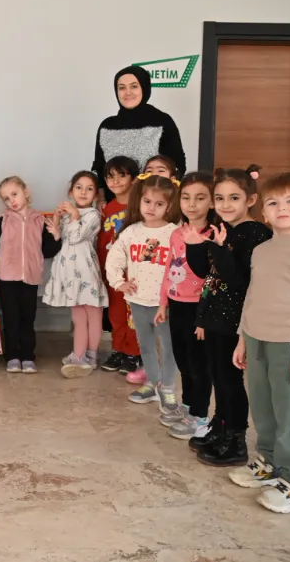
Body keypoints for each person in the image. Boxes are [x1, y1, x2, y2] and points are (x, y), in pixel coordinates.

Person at [231, 173, 290, 514]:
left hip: (289, 346)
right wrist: (243, 338)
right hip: (256, 340)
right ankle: (270, 464)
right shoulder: (261, 250)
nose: (281, 208)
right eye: (273, 202)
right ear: (264, 212)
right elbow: (252, 296)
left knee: (289, 416)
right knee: (263, 409)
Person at [184, 165, 272, 467]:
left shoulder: (256, 233)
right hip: (214, 317)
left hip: (234, 321)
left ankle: (235, 440)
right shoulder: (223, 229)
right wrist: (195, 246)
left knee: (229, 381)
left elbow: (238, 280)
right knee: (218, 377)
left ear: (251, 200)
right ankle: (220, 427)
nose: (225, 205)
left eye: (234, 198)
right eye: (219, 198)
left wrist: (219, 249)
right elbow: (206, 274)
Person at [105, 174, 181, 412]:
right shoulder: (131, 232)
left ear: (169, 206)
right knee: (145, 346)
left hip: (165, 303)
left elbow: (184, 266)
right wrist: (119, 282)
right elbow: (114, 258)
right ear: (139, 201)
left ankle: (168, 388)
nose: (151, 208)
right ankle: (152, 383)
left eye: (159, 203)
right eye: (147, 201)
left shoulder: (175, 233)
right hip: (137, 301)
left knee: (168, 347)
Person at [157, 172, 215, 441]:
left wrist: (205, 316)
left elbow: (213, 278)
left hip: (199, 308)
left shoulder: (213, 235)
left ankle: (200, 416)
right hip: (176, 304)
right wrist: (163, 303)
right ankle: (189, 406)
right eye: (186, 198)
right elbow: (169, 269)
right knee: (182, 359)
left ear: (212, 202)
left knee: (199, 363)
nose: (192, 204)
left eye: (200, 198)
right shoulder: (176, 233)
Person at [0, 176, 61, 373]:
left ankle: (28, 356)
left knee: (28, 319)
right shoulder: (2, 221)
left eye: (14, 194)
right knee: (11, 319)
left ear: (26, 192)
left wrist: (56, 235)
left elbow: (48, 251)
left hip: (30, 278)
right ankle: (12, 356)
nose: (11, 201)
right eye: (6, 198)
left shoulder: (40, 221)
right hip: (6, 278)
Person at [43, 171, 108, 378]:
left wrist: (74, 215)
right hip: (70, 274)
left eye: (89, 189)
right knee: (78, 317)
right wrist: (56, 221)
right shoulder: (69, 215)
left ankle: (90, 355)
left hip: (86, 272)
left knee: (93, 314)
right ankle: (79, 354)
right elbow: (60, 238)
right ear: (71, 191)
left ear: (95, 195)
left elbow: (77, 236)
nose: (83, 192)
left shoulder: (93, 215)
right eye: (79, 187)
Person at [92, 65, 186, 201]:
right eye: (122, 88)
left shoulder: (161, 121)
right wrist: (101, 198)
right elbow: (100, 165)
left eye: (134, 86)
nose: (128, 92)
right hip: (115, 203)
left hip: (152, 203)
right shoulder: (107, 125)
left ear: (144, 88)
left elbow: (177, 164)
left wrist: (164, 198)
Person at [97, 156, 143, 377]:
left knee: (132, 314)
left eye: (121, 176)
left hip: (133, 273)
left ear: (134, 179)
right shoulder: (107, 208)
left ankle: (134, 352)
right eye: (110, 177)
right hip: (111, 271)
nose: (115, 181)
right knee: (115, 314)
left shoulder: (140, 206)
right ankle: (118, 349)